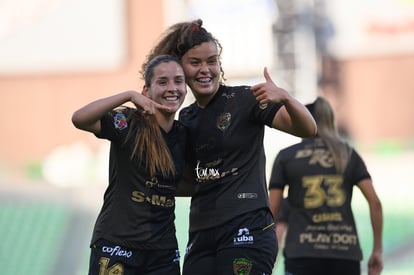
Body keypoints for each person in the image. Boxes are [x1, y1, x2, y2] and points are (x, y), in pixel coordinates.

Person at [142, 19, 317, 275]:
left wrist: (286, 98)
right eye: (196, 62)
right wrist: (146, 186)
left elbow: (307, 129)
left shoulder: (247, 99)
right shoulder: (186, 117)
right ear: (182, 68)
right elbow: (192, 181)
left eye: (211, 61)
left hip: (248, 228)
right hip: (202, 234)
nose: (205, 69)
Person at [71, 54, 187, 275]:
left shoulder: (184, 135)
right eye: (162, 82)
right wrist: (128, 95)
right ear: (147, 90)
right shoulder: (128, 123)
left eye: (178, 81)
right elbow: (79, 119)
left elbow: (185, 183)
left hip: (163, 252)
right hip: (117, 245)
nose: (172, 88)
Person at [268, 96, 383, 275]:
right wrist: (377, 250)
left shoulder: (286, 157)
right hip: (345, 255)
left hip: (302, 254)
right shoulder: (348, 154)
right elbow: (375, 203)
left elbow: (272, 212)